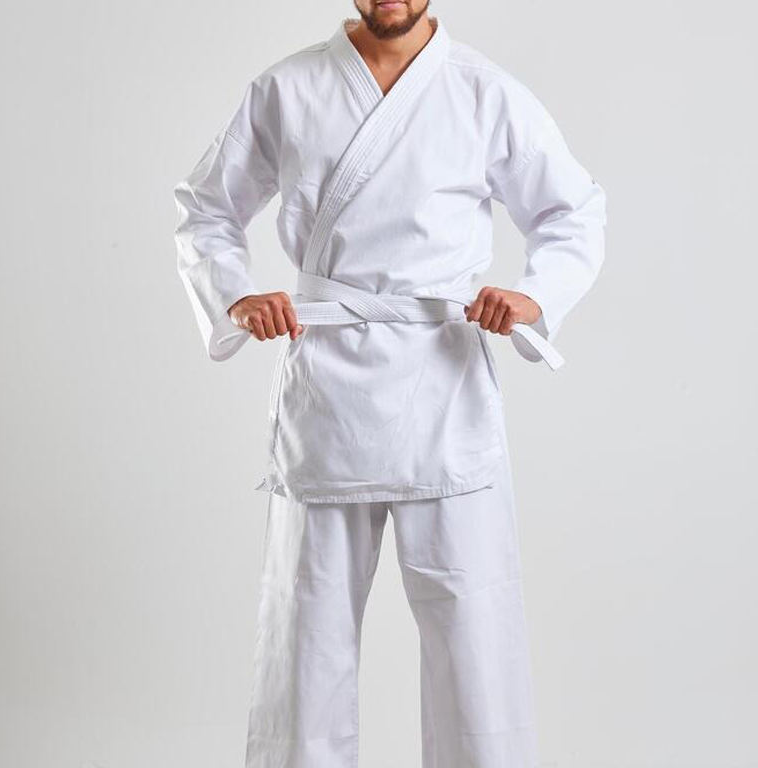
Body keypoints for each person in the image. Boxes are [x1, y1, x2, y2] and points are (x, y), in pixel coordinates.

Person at [173, 1, 606, 765]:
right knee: (306, 632)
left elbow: (573, 212)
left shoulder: (483, 92)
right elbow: (206, 210)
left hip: (443, 379)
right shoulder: (288, 89)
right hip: (326, 381)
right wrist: (235, 296)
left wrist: (534, 298)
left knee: (475, 628)